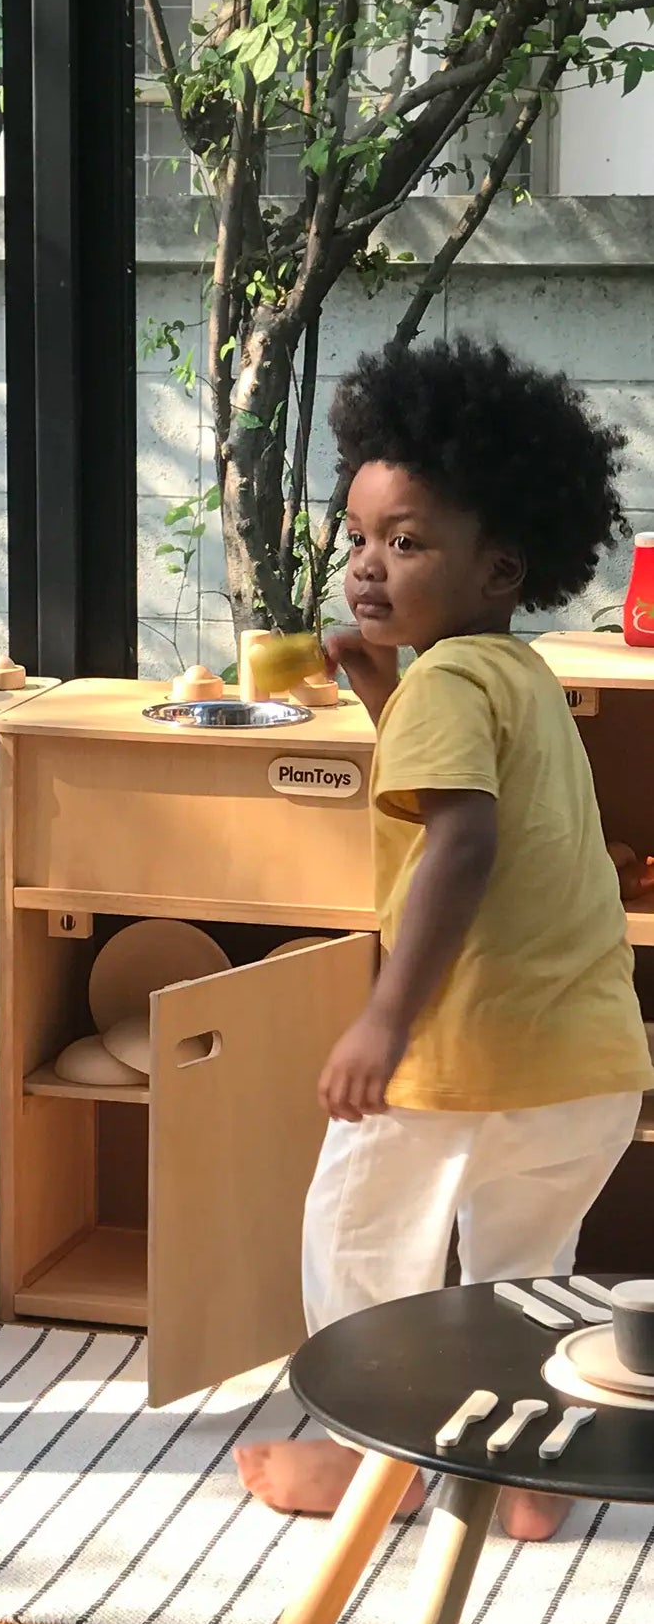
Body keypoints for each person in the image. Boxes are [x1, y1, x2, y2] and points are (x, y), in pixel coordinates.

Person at [234, 337, 654, 1542]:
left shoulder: (443, 689)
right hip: (582, 1067)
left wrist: (381, 1020)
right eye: (357, 538)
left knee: (358, 1249)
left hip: (460, 1058)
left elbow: (457, 847)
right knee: (519, 1288)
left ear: (497, 565)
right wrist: (379, 691)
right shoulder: (516, 676)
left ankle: (370, 1463)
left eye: (406, 542)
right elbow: (471, 804)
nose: (366, 566)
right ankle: (523, 1472)